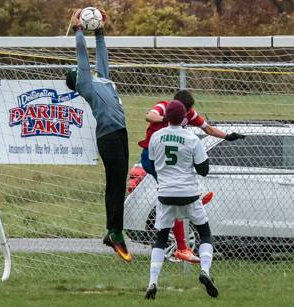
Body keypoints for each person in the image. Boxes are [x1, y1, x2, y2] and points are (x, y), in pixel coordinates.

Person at [136, 89, 245, 263]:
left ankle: (189, 213)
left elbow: (207, 128)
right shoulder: (165, 107)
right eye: (186, 111)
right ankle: (182, 246)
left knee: (176, 195)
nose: (188, 114)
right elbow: (149, 115)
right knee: (173, 196)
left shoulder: (190, 114)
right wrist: (168, 118)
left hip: (165, 161)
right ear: (180, 108)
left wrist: (227, 136)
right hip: (152, 157)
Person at [66, 9, 131, 262]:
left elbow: (101, 57)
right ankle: (115, 232)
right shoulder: (85, 84)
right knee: (114, 186)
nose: (83, 69)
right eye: (79, 71)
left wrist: (100, 31)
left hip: (120, 133)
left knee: (119, 184)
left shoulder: (102, 79)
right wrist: (78, 30)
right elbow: (82, 58)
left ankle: (111, 231)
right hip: (109, 137)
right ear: (77, 79)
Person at [144, 100, 218, 299]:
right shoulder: (191, 138)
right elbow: (203, 170)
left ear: (166, 117)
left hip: (165, 193)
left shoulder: (156, 137)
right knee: (204, 233)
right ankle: (205, 271)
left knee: (160, 237)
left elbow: (152, 163)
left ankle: (152, 281)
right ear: (184, 118)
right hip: (188, 193)